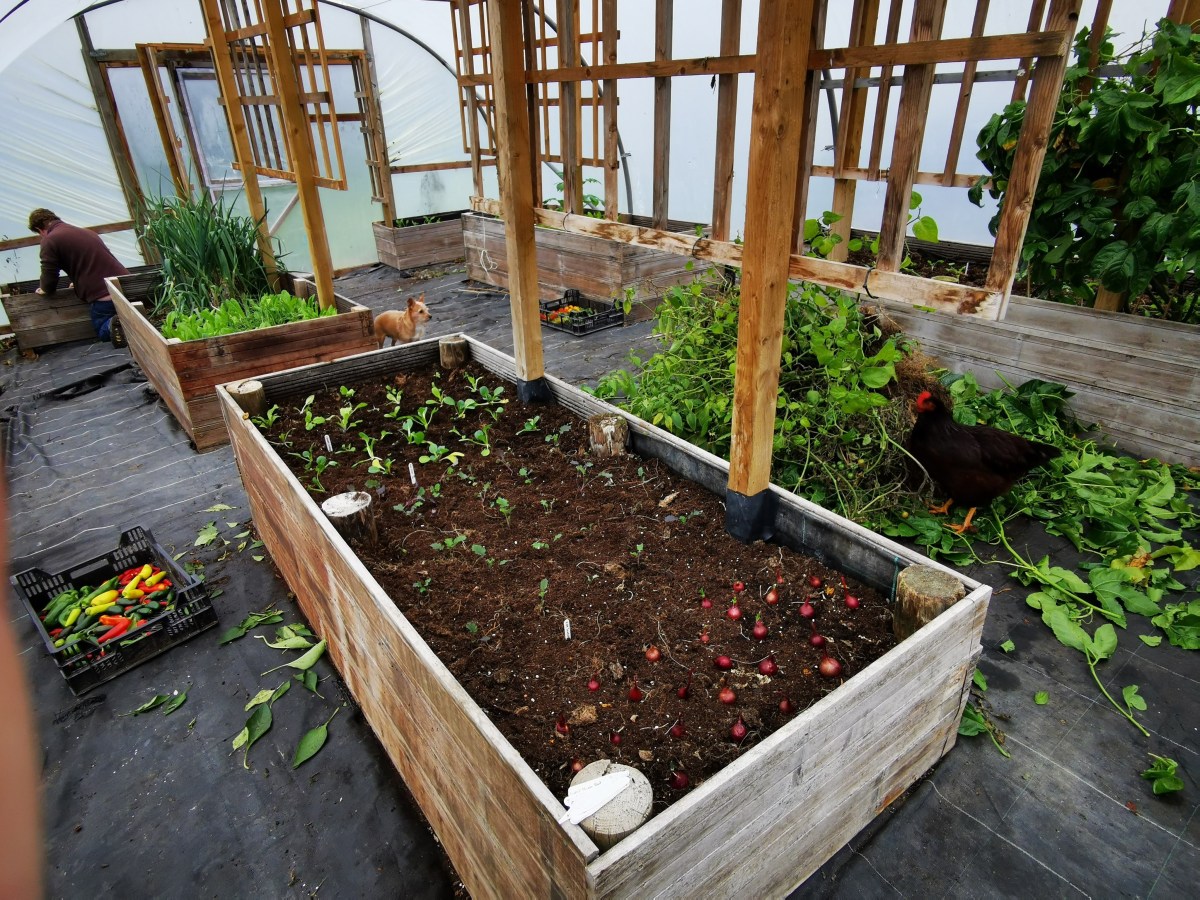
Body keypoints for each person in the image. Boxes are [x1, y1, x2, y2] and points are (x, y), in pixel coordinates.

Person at [28, 207, 129, 348]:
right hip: (127, 284)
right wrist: (78, 282)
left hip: (104, 294)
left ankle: (114, 323)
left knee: (103, 331)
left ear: (40, 229)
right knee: (132, 318)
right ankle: (128, 322)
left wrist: (45, 289)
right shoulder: (85, 232)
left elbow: (49, 274)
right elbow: (92, 262)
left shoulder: (50, 240)